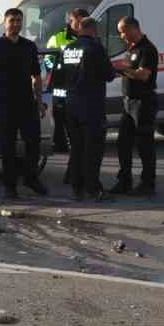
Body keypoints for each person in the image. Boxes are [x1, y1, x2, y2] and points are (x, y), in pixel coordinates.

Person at [0, 8, 47, 198]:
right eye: (12, 20)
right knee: (8, 147)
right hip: (4, 103)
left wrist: (40, 101)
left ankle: (31, 178)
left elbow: (37, 77)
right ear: (5, 22)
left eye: (19, 20)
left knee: (33, 143)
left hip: (26, 102)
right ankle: (10, 186)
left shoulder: (29, 46)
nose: (16, 24)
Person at [62, 18, 115, 200]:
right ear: (94, 30)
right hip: (91, 105)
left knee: (76, 148)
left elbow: (60, 77)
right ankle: (92, 188)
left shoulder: (68, 49)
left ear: (79, 29)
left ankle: (77, 188)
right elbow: (109, 75)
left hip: (71, 104)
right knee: (93, 149)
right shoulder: (95, 48)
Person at [112, 16, 160, 196]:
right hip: (128, 102)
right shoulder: (131, 49)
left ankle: (147, 184)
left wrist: (122, 70)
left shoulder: (148, 49)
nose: (122, 36)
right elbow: (129, 71)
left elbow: (143, 75)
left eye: (123, 32)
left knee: (144, 145)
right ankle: (124, 181)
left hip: (143, 102)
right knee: (123, 143)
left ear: (134, 29)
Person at [44, 6, 88, 154]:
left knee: (76, 118)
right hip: (60, 85)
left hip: (79, 86)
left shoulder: (88, 39)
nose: (81, 24)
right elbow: (48, 60)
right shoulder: (57, 38)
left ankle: (76, 144)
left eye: (84, 21)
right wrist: (58, 69)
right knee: (59, 115)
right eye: (78, 21)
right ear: (70, 21)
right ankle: (60, 144)